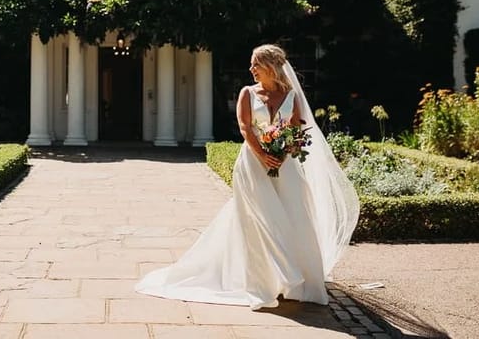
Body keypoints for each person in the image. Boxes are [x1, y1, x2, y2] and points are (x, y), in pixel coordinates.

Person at [135, 44, 359, 310]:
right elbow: (244, 127)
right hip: (252, 165)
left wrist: (283, 154)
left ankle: (295, 280)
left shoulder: (291, 96)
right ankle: (265, 282)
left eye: (255, 64)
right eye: (251, 65)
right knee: (261, 219)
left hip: (284, 167)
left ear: (270, 67)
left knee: (292, 215)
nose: (251, 69)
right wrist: (263, 155)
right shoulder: (248, 93)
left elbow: (297, 129)